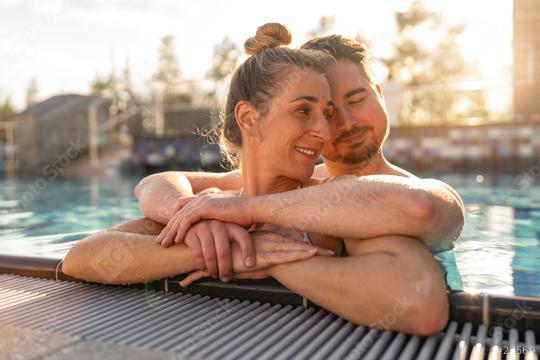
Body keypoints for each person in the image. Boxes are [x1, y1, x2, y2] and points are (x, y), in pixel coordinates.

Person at [64, 23, 461, 336]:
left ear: (377, 93)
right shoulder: (221, 206)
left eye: (351, 102)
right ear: (249, 118)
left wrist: (259, 252)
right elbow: (80, 257)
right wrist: (206, 235)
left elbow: (420, 299)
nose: (332, 128)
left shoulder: (340, 201)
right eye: (310, 111)